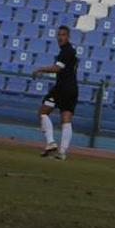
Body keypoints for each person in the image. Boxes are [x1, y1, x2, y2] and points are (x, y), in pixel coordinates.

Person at [32, 26, 78, 161]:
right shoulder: (70, 51)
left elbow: (57, 68)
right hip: (72, 88)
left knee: (43, 112)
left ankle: (51, 143)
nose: (60, 37)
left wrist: (40, 69)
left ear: (68, 36)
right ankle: (62, 152)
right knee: (66, 119)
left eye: (63, 35)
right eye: (59, 35)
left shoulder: (66, 51)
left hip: (62, 88)